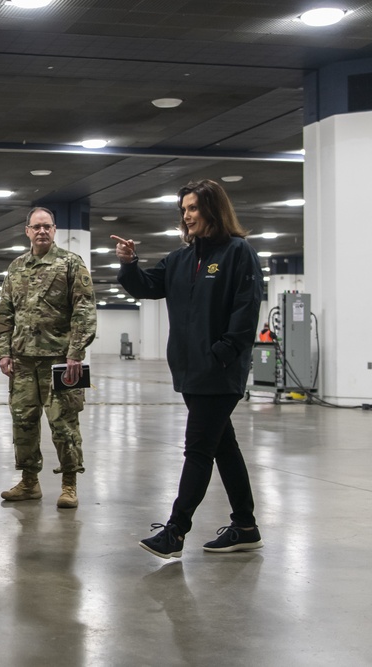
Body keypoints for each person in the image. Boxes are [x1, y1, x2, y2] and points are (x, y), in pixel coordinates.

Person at [113, 178, 264, 560]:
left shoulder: (237, 253)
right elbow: (147, 286)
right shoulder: (181, 259)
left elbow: (246, 311)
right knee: (222, 447)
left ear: (212, 209)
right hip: (190, 371)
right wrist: (129, 265)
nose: (187, 215)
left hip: (220, 371)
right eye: (184, 210)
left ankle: (176, 530)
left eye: (193, 208)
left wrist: (223, 352)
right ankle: (245, 526)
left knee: (198, 449)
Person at [0, 207, 97, 508]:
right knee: (23, 423)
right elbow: (5, 313)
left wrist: (76, 353)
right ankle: (29, 482)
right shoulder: (16, 267)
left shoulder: (71, 263)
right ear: (27, 231)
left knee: (64, 424)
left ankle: (69, 484)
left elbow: (84, 311)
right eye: (36, 227)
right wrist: (4, 352)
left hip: (60, 362)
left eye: (47, 227)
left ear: (54, 230)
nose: (42, 232)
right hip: (23, 361)